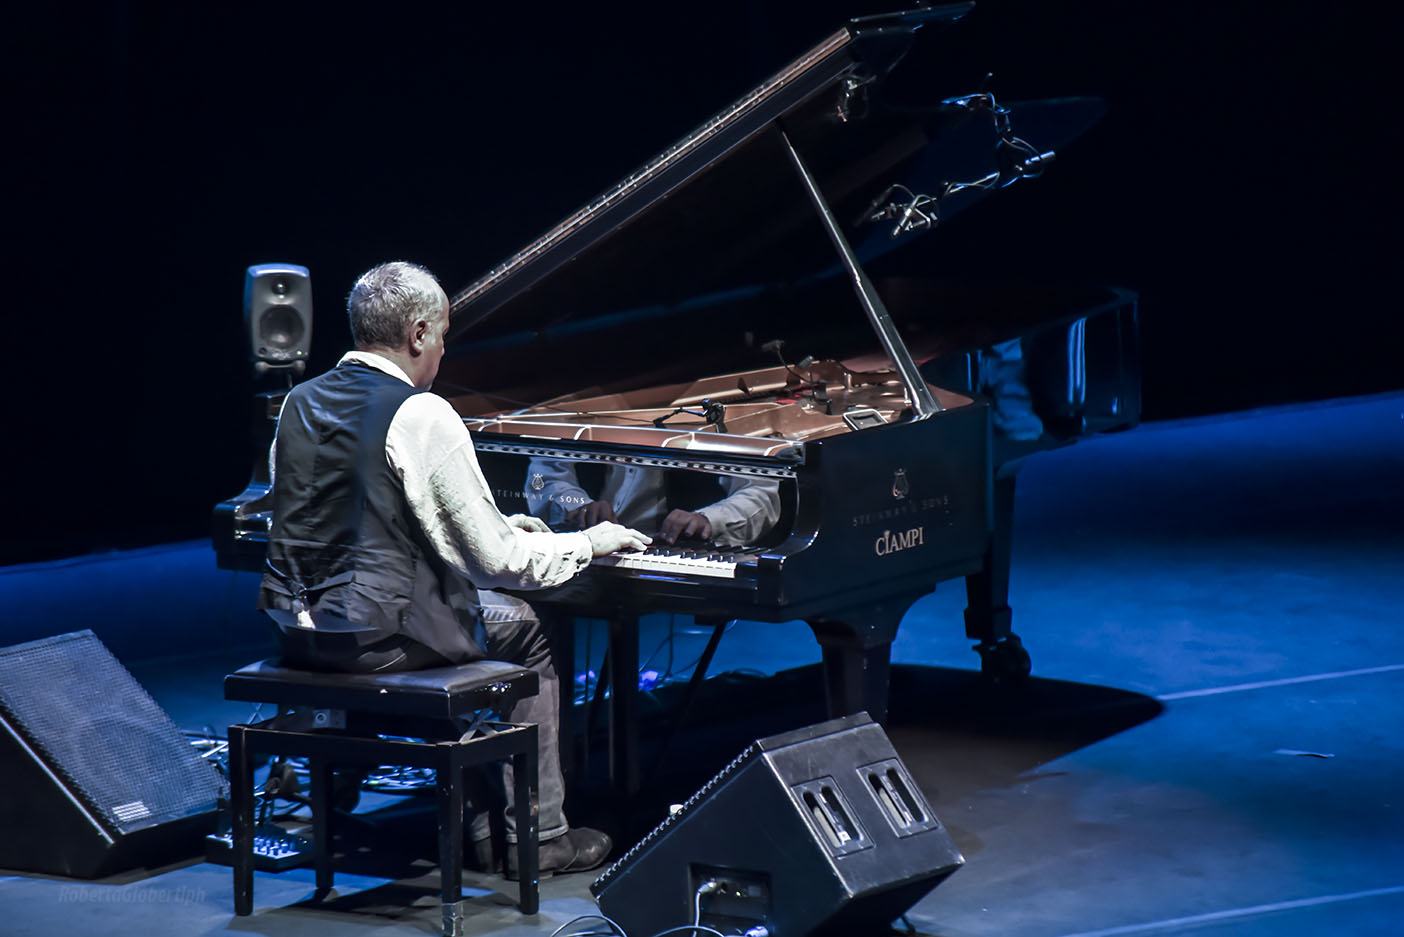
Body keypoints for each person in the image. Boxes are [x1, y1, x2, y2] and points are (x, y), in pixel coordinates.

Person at [257, 261, 651, 877]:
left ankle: (477, 819)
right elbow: (500, 563)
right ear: (418, 335)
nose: (443, 351)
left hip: (298, 629)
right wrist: (590, 542)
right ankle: (538, 838)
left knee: (464, 612)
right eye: (442, 336)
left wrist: (497, 528)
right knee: (526, 625)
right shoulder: (422, 413)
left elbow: (356, 524)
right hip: (378, 640)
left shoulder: (298, 405)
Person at [525, 460, 781, 547]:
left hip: (672, 547)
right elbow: (542, 479)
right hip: (588, 545)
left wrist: (707, 519)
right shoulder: (575, 404)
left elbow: (759, 494)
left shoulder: (718, 410)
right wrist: (578, 506)